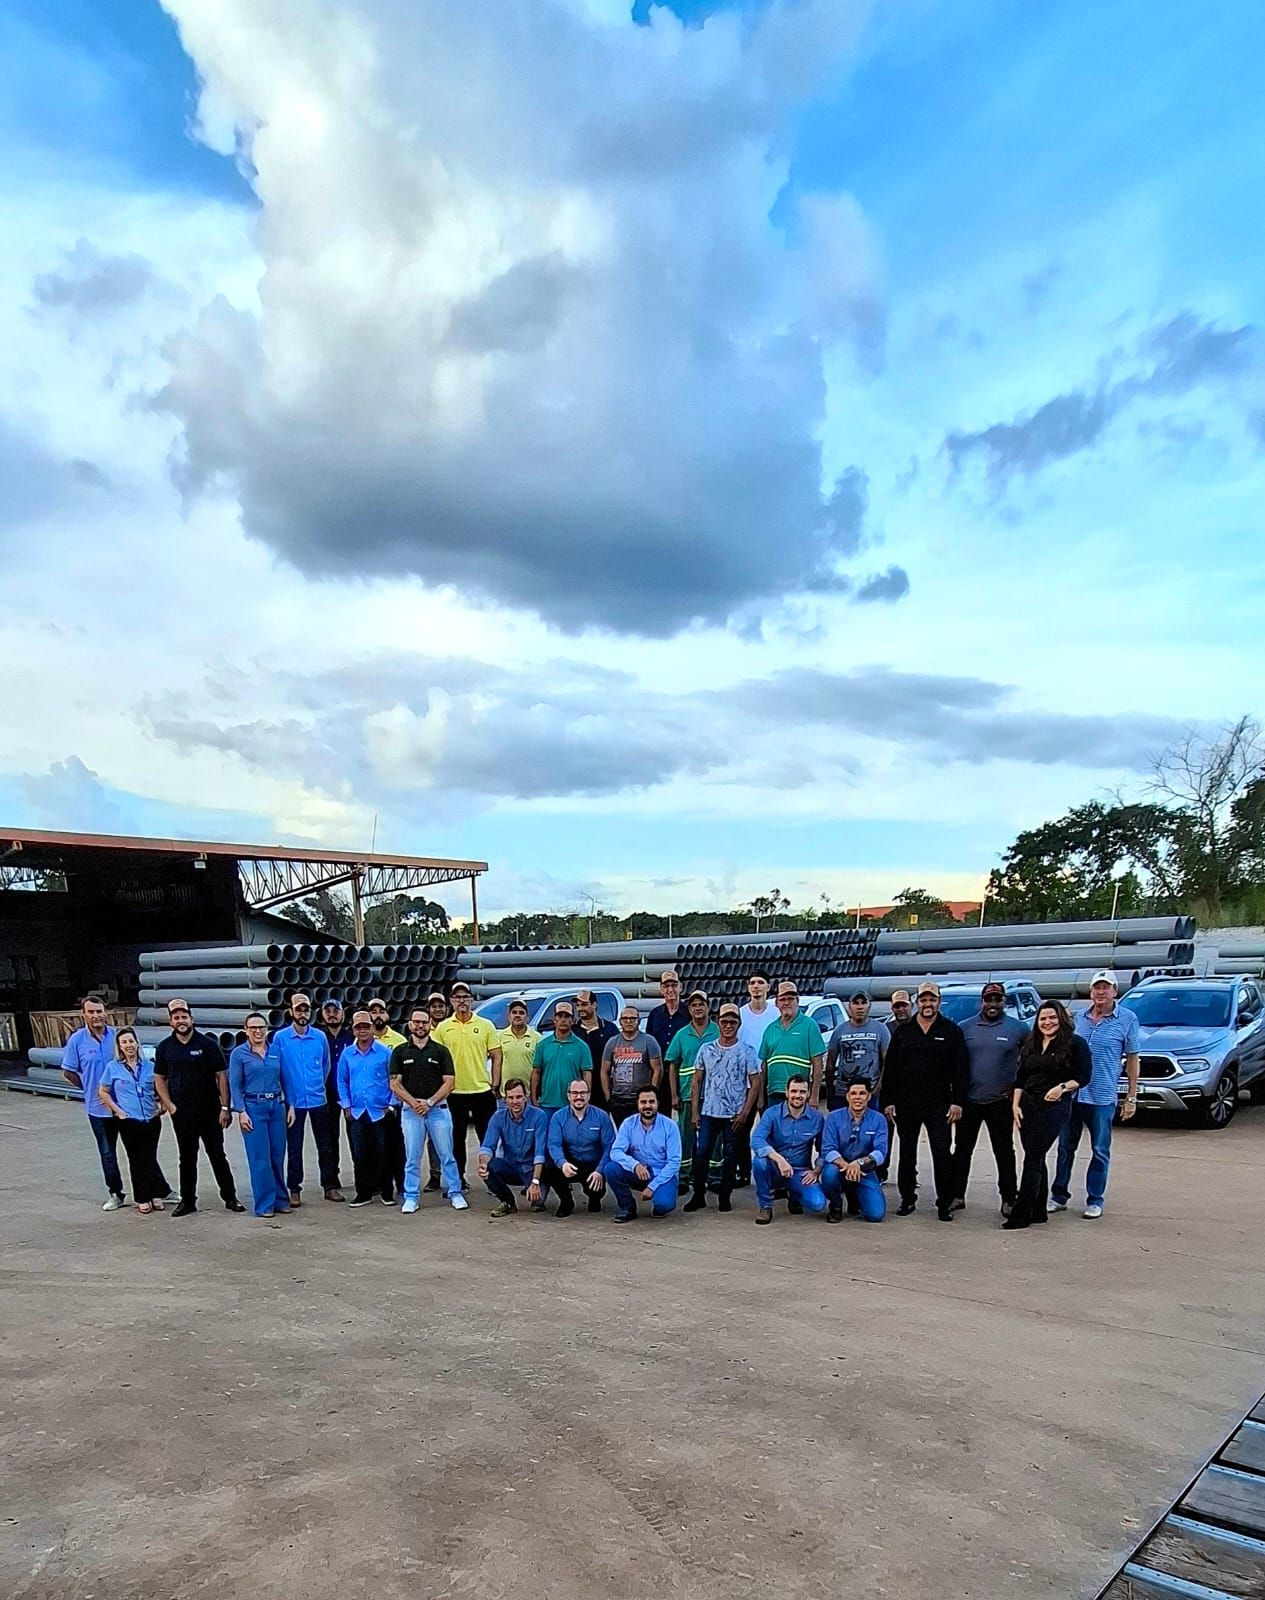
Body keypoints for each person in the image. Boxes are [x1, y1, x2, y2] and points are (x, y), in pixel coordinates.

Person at [1050, 971, 1140, 1219]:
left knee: (1100, 1149)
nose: (1101, 992)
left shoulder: (1128, 1019)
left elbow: (1133, 1059)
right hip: (1074, 1094)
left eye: (1105, 987)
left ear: (1115, 991)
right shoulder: (1079, 1018)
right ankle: (1058, 1196)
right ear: (1090, 992)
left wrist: (1131, 1097)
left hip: (1102, 1096)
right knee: (1065, 1148)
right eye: (1096, 988)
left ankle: (1095, 1199)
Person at [883, 982, 967, 1222]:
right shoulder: (903, 1031)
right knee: (907, 1153)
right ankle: (907, 1198)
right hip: (907, 1103)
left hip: (939, 1104)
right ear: (917, 1002)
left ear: (939, 1001)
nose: (927, 1004)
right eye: (923, 1000)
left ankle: (944, 1203)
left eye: (932, 999)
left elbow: (961, 1070)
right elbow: (891, 1069)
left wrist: (957, 1102)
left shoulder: (951, 1031)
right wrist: (889, 1101)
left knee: (941, 1153)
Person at [152, 997, 244, 1217]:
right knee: (187, 1158)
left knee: (217, 1155)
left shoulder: (207, 1044)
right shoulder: (165, 1048)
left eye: (184, 1017)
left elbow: (221, 1076)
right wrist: (170, 1105)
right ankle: (188, 1201)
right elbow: (159, 1078)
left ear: (191, 1019)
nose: (181, 1021)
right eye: (176, 1017)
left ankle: (230, 1198)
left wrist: (225, 1107)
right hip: (182, 1113)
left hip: (209, 1111)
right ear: (171, 1022)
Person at [1005, 1002, 1093, 1230]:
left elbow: (1083, 1076)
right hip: (1027, 1105)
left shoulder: (1075, 1043)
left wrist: (1062, 1088)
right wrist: (1015, 1105)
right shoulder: (1031, 1043)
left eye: (1052, 1017)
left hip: (1054, 1107)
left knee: (1033, 1157)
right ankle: (1038, 1211)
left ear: (1061, 1018)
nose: (1047, 1022)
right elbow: (1021, 1077)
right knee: (1035, 1156)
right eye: (1043, 1018)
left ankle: (1021, 1214)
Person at [951, 983, 1024, 1217]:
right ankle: (957, 1195)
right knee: (962, 1150)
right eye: (988, 999)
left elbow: (1029, 1061)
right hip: (970, 1100)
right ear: (981, 1002)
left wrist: (1017, 1089)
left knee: (1004, 1152)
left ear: (1004, 1001)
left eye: (997, 999)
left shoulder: (1019, 1029)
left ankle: (1009, 1198)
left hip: (1001, 1101)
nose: (993, 1004)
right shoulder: (964, 1028)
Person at [389, 1006, 468, 1214]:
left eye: (424, 1022)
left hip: (438, 1110)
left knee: (447, 1155)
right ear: (410, 1024)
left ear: (430, 1025)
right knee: (412, 1157)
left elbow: (449, 1082)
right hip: (411, 1112)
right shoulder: (400, 1051)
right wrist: (414, 1103)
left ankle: (455, 1192)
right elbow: (395, 1084)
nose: (420, 1026)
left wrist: (429, 1102)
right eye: (416, 1022)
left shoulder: (440, 1051)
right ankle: (411, 1197)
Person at [684, 1002, 759, 1213]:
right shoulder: (706, 1049)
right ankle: (699, 1195)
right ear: (718, 1023)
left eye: (732, 1022)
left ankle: (725, 1197)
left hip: (734, 1114)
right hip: (709, 1112)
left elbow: (755, 1083)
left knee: (730, 1156)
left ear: (739, 1024)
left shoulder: (747, 1051)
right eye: (724, 1022)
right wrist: (695, 1112)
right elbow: (697, 1081)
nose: (728, 1026)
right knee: (702, 1154)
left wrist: (745, 1113)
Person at [273, 992, 341, 1206]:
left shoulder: (320, 1037)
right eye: (299, 1010)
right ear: (290, 1011)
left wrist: (317, 1083)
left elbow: (326, 1065)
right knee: (295, 1147)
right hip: (293, 1102)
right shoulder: (281, 1038)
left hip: (318, 1098)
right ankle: (294, 1188)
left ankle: (329, 1186)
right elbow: (277, 1067)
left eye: (306, 1010)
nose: (303, 1014)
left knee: (326, 1145)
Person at [96, 1027, 172, 1215]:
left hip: (151, 1119)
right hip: (129, 1120)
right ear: (119, 1047)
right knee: (136, 1159)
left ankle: (156, 1194)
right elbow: (103, 1091)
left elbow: (162, 1085)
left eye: (131, 1041)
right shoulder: (113, 1068)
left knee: (150, 1157)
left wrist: (163, 1104)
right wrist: (118, 1111)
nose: (129, 1045)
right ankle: (142, 1197)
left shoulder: (149, 1066)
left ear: (137, 1044)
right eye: (124, 1042)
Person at [61, 994, 126, 1210]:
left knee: (138, 1150)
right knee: (107, 1153)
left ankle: (155, 1191)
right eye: (91, 1012)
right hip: (98, 1109)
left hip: (125, 1106)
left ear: (105, 1012)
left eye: (99, 1011)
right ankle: (116, 1193)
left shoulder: (117, 1037)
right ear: (84, 1014)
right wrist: (88, 1088)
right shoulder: (77, 1040)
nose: (96, 1015)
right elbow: (68, 1071)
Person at [434, 982, 502, 1186]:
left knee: (487, 1139)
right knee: (456, 1139)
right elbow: (437, 1060)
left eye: (465, 997)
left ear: (471, 1000)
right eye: (457, 997)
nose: (461, 1001)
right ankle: (458, 1180)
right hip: (454, 1093)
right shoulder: (443, 1028)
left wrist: (495, 1083)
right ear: (451, 1001)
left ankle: (492, 1179)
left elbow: (496, 1055)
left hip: (482, 1090)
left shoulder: (486, 1025)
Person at [229, 1012, 293, 1219]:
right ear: (246, 1030)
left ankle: (281, 1200)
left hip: (276, 1106)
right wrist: (241, 1111)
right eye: (253, 1028)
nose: (258, 1031)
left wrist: (291, 1106)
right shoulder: (239, 1054)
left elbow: (286, 1079)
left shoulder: (276, 1051)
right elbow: (234, 1085)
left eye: (261, 1027)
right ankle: (265, 1204)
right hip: (253, 1107)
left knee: (277, 1155)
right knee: (260, 1158)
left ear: (267, 1029)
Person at [336, 1010, 396, 1207]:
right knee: (360, 1154)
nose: (362, 1030)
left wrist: (391, 1105)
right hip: (357, 1111)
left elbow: (394, 1079)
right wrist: (346, 1105)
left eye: (366, 1027)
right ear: (353, 1030)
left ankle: (387, 1192)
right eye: (358, 1027)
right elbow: (342, 1081)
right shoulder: (347, 1054)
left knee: (384, 1153)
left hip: (380, 1110)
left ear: (372, 1028)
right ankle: (363, 1193)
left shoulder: (385, 1053)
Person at [749, 1074, 827, 1224]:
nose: (797, 1095)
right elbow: (757, 1139)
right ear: (786, 1092)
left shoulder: (817, 1118)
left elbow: (824, 1148)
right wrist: (779, 1159)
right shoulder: (772, 1113)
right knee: (759, 1162)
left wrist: (817, 1170)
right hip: (775, 1168)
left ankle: (794, 1195)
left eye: (802, 1092)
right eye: (794, 1091)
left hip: (800, 1171)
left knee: (817, 1203)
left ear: (808, 1094)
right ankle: (765, 1205)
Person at [602, 1086, 681, 1223]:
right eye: (643, 1102)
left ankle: (659, 1203)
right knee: (611, 1169)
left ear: (658, 1103)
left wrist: (652, 1186)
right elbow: (616, 1151)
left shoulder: (670, 1126)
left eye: (651, 1102)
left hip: (661, 1173)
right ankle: (627, 1207)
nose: (647, 1106)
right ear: (637, 1104)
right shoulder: (628, 1124)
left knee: (664, 1205)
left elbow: (674, 1162)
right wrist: (635, 1165)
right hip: (638, 1172)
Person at [663, 989, 718, 1184]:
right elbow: (672, 1064)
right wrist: (674, 1094)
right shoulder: (681, 1034)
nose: (698, 1008)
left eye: (701, 1004)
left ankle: (713, 1175)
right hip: (687, 1094)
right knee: (686, 1136)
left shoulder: (717, 1031)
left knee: (713, 1138)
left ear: (708, 1007)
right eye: (694, 1005)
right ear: (689, 1009)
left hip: (713, 1096)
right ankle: (684, 1175)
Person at [820, 1079, 889, 1223]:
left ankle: (855, 1197)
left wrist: (859, 1163)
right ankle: (836, 1206)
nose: (857, 1097)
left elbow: (881, 1152)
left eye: (862, 1093)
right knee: (829, 1174)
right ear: (847, 1096)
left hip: (864, 1170)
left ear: (869, 1096)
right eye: (853, 1093)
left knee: (876, 1215)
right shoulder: (833, 1117)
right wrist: (848, 1166)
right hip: (839, 1167)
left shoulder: (879, 1119)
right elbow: (828, 1149)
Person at [543, 1079, 615, 1216]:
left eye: (583, 1093)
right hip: (571, 1161)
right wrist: (562, 1163)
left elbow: (609, 1146)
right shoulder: (558, 1117)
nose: (579, 1097)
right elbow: (554, 1144)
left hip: (593, 1164)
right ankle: (566, 1201)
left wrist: (599, 1170)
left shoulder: (602, 1116)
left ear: (589, 1095)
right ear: (568, 1095)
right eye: (575, 1093)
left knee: (597, 1190)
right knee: (548, 1167)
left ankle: (594, 1198)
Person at [477, 1079, 547, 1218]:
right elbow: (487, 1146)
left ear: (526, 1096)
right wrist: (483, 1164)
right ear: (505, 1099)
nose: (515, 1101)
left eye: (519, 1097)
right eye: (511, 1097)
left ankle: (539, 1187)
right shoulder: (498, 1117)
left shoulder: (539, 1116)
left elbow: (540, 1152)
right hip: (512, 1166)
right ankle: (507, 1202)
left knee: (538, 1202)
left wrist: (535, 1181)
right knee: (490, 1167)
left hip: (532, 1169)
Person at [759, 982, 827, 1107]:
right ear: (777, 1003)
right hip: (774, 1093)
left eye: (790, 999)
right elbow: (763, 1066)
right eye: (782, 999)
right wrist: (761, 1098)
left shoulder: (809, 1025)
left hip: (799, 1093)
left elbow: (818, 1063)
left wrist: (814, 1095)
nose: (786, 1003)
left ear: (797, 1001)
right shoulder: (770, 1029)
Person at [368, 995, 407, 1196]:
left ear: (387, 1014)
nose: (378, 1015)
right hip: (372, 1104)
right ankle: (378, 1184)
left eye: (381, 1011)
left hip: (394, 1104)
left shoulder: (399, 1040)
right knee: (375, 1147)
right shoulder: (361, 1041)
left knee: (397, 1146)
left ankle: (401, 1184)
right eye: (373, 1012)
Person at [600, 1005, 663, 1125]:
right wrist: (608, 1097)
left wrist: (651, 1094)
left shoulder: (649, 1041)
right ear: (620, 1021)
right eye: (625, 1019)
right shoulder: (612, 1042)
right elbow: (604, 1071)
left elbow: (657, 1070)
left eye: (632, 1018)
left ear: (638, 1021)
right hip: (618, 1099)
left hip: (640, 1099)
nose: (628, 1021)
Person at [824, 992, 887, 1108]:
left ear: (869, 1006)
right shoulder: (840, 1030)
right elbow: (830, 1064)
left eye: (863, 1003)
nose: (860, 1007)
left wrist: (877, 1089)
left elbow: (887, 1062)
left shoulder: (881, 1029)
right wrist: (830, 1092)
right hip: (842, 1093)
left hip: (870, 1093)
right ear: (849, 1006)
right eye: (856, 1003)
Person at [315, 993, 353, 1181]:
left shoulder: (352, 1036)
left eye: (335, 1011)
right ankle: (331, 1178)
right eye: (327, 1011)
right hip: (327, 1092)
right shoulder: (318, 1038)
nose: (332, 1015)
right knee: (329, 1138)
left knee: (356, 1136)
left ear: (342, 1014)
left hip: (351, 1093)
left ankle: (364, 1178)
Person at [531, 1001, 592, 1111]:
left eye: (567, 1016)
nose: (563, 1020)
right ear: (554, 1020)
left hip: (572, 1104)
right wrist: (534, 1099)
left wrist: (585, 1098)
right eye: (559, 1016)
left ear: (573, 1020)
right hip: (546, 1104)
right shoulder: (542, 1045)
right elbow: (536, 1072)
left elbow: (586, 1074)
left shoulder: (582, 1047)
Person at [646, 970, 691, 1115]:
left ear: (680, 987)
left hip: (683, 1073)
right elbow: (649, 1043)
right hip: (659, 1074)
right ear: (661, 989)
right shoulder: (655, 1014)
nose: (670, 989)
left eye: (674, 985)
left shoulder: (689, 1013)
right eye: (666, 986)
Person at [421, 991, 451, 1191]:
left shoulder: (451, 1027)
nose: (438, 1009)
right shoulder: (422, 1030)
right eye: (434, 1006)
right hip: (433, 1091)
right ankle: (435, 1175)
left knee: (450, 1136)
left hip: (453, 1088)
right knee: (433, 1137)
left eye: (441, 1006)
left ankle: (455, 1177)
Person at [574, 990, 616, 1109]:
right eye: (578, 1005)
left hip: (602, 1087)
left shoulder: (610, 1029)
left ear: (594, 1005)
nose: (580, 1008)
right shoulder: (572, 1031)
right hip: (578, 1088)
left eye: (584, 1004)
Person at [497, 999, 540, 1090]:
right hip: (506, 1094)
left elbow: (538, 1069)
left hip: (528, 1094)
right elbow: (496, 1063)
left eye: (521, 1013)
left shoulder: (537, 1038)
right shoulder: (500, 1036)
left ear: (527, 1017)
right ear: (509, 1017)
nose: (517, 1015)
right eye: (514, 1012)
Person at [738, 971, 779, 1056]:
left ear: (768, 987)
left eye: (760, 982)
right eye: (752, 983)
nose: (756, 986)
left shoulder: (777, 1014)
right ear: (748, 988)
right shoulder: (739, 1014)